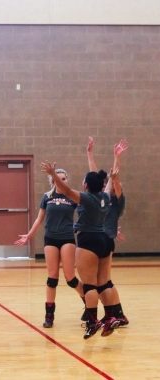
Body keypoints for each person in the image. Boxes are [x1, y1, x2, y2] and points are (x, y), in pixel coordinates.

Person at [40, 160, 120, 339]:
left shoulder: (86, 198)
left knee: (90, 285)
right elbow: (107, 189)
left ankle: (93, 322)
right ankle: (110, 316)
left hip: (89, 239)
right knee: (104, 283)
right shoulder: (105, 197)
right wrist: (112, 179)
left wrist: (53, 175)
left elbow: (67, 191)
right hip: (105, 239)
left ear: (85, 185)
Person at [14, 169, 84, 328]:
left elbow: (84, 215)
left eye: (64, 178)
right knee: (52, 278)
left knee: (70, 278)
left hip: (67, 237)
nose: (62, 181)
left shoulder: (73, 196)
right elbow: (40, 218)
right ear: (53, 182)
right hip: (50, 238)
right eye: (58, 179)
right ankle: (49, 314)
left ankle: (87, 299)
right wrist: (28, 236)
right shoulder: (47, 197)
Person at [87, 136, 129, 326]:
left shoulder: (117, 202)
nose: (107, 185)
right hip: (99, 238)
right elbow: (95, 177)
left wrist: (117, 159)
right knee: (103, 282)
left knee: (104, 282)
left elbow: (115, 179)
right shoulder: (101, 198)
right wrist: (89, 154)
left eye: (110, 185)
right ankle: (115, 313)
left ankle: (115, 313)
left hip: (105, 240)